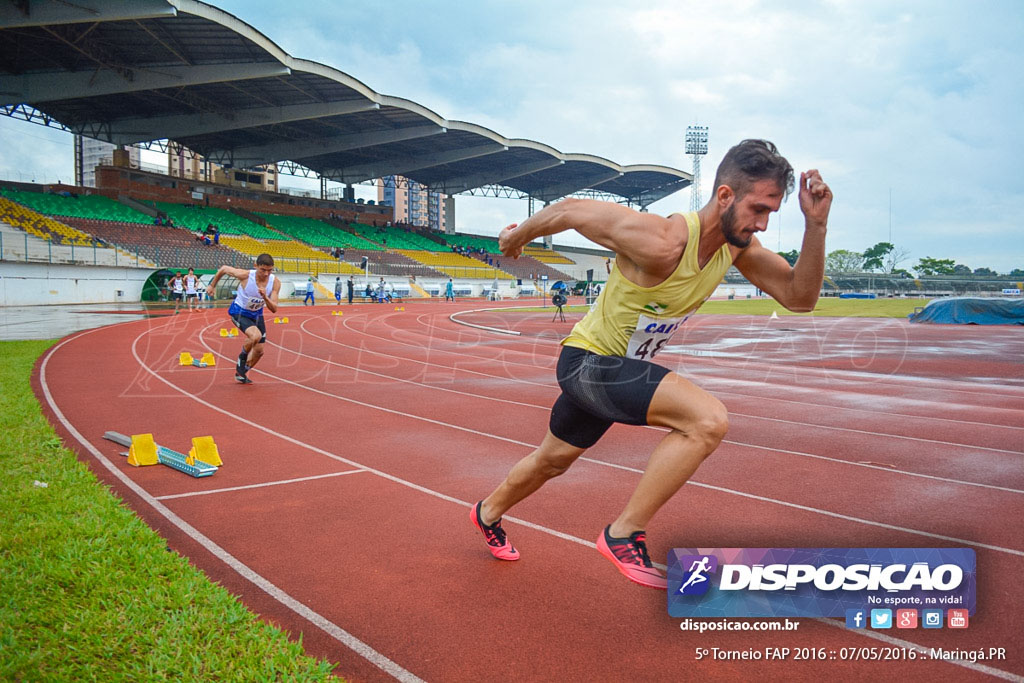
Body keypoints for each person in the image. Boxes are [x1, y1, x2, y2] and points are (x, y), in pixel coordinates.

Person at [469, 140, 832, 589]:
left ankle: (486, 512)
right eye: (757, 209)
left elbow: (800, 298)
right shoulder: (663, 242)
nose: (761, 223)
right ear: (724, 196)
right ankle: (623, 533)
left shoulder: (736, 249)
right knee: (706, 421)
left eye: (771, 214)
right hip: (587, 362)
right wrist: (516, 236)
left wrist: (815, 226)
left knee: (551, 461)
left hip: (615, 374)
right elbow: (570, 209)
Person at [205, 254, 281, 385]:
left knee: (259, 351)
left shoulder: (275, 282)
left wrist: (265, 297)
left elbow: (274, 308)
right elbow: (223, 269)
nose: (266, 274)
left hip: (257, 315)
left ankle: (241, 372)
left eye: (270, 270)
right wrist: (212, 285)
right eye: (263, 270)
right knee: (255, 336)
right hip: (239, 312)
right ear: (256, 266)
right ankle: (242, 358)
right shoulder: (245, 275)